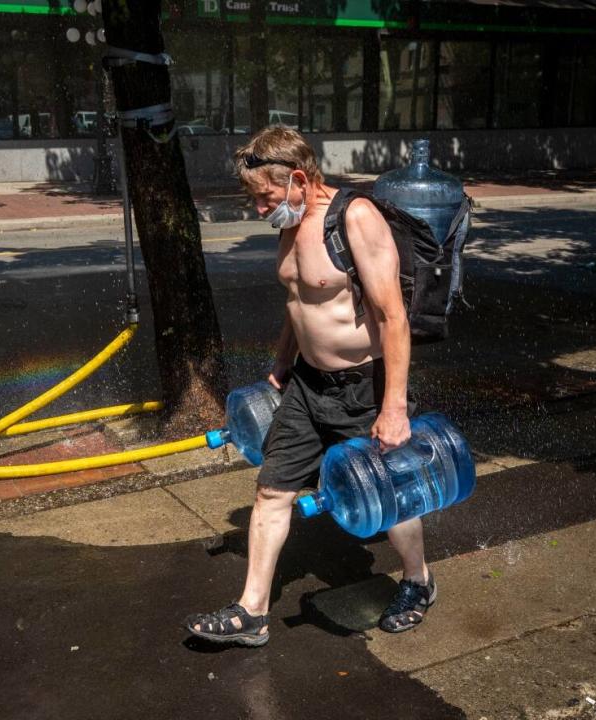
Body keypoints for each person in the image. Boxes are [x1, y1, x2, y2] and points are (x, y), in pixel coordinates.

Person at [184, 126, 434, 647]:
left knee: (390, 493)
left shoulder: (356, 218)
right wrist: (281, 365)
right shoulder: (291, 220)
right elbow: (299, 303)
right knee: (272, 490)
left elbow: (393, 318)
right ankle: (251, 612)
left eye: (265, 196)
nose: (259, 208)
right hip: (305, 385)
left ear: (298, 178)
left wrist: (394, 408)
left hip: (363, 386)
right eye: (255, 198)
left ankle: (417, 580)